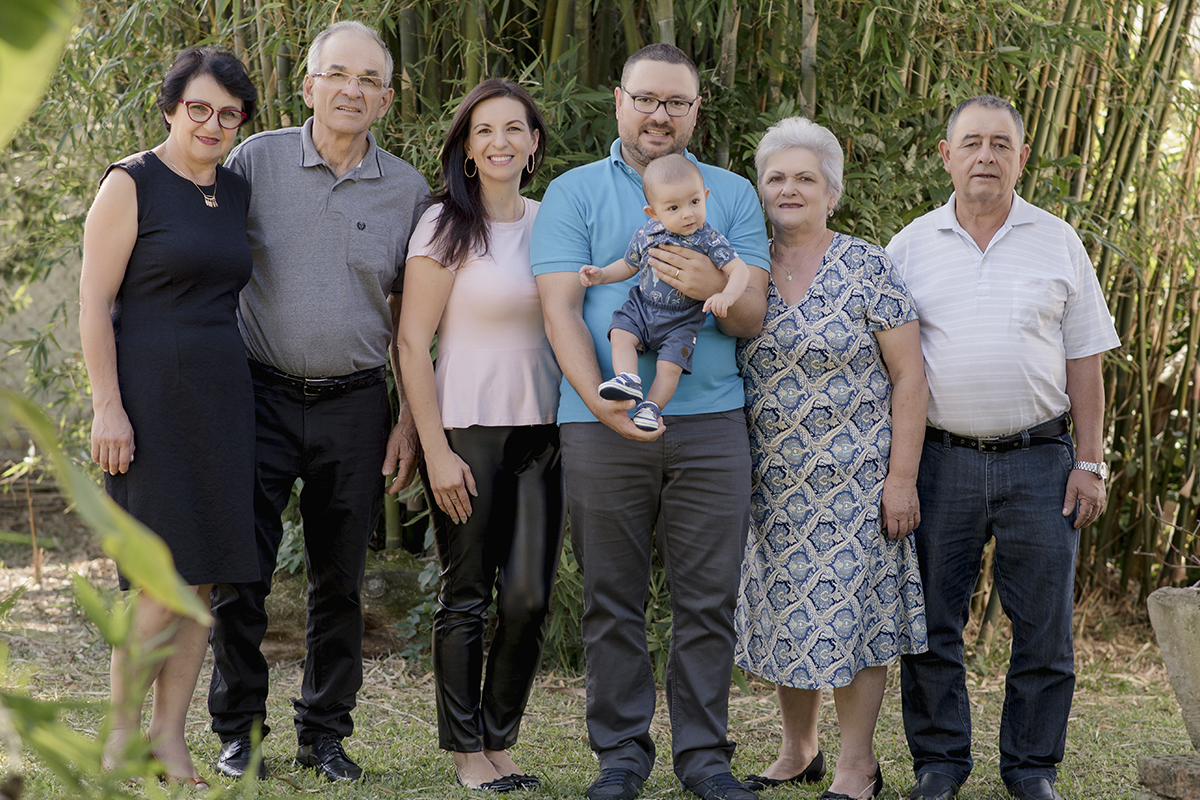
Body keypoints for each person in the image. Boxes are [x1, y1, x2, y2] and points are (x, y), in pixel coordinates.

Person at [531, 43, 770, 800]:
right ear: (618, 100)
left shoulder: (730, 193)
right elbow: (561, 309)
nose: (660, 114)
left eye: (676, 102)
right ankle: (621, 757)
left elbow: (755, 311)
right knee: (612, 594)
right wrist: (601, 402)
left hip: (711, 424)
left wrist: (711, 285)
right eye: (647, 98)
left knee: (707, 598)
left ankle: (704, 759)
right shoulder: (572, 192)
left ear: (696, 110)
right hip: (599, 418)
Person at [206, 20, 430, 783]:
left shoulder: (407, 189)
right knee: (242, 571)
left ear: (387, 99)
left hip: (356, 403)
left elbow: (411, 321)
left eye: (369, 80)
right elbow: (203, 259)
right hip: (256, 393)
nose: (352, 90)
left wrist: (406, 418)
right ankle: (240, 731)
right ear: (309, 86)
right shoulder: (255, 159)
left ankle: (324, 734)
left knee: (341, 579)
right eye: (339, 74)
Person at [886, 95, 1120, 800]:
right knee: (931, 622)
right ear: (946, 154)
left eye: (1000, 144)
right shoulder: (908, 245)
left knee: (1043, 626)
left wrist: (1090, 461)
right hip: (940, 458)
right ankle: (940, 763)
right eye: (972, 142)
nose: (985, 155)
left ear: (1022, 157)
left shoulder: (1059, 240)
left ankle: (1031, 767)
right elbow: (894, 367)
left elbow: (1085, 361)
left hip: (1040, 460)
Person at [733, 117, 929, 800]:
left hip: (857, 477)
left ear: (831, 192)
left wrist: (900, 478)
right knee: (787, 608)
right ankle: (797, 750)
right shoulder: (744, 264)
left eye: (805, 178)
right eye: (777, 177)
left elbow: (910, 376)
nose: (790, 189)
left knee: (852, 616)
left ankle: (857, 765)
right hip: (773, 476)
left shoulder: (866, 263)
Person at [79, 46, 258, 790]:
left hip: (223, 401)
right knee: (159, 587)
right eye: (199, 109)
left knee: (204, 587)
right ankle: (121, 741)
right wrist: (108, 407)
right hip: (149, 403)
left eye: (229, 114)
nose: (213, 124)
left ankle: (170, 740)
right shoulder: (132, 183)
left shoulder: (237, 191)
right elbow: (94, 302)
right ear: (170, 109)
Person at [396, 78, 564, 793]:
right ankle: (467, 750)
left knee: (528, 596)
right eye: (484, 130)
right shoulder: (443, 224)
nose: (499, 141)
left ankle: (501, 738)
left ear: (533, 145)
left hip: (543, 433)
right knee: (466, 593)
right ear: (467, 147)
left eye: (513, 129)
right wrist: (434, 450)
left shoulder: (555, 220)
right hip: (465, 430)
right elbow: (410, 342)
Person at [579, 153, 752, 431]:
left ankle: (652, 407)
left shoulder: (708, 238)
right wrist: (601, 275)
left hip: (682, 319)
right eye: (673, 207)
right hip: (643, 307)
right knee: (621, 334)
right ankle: (628, 379)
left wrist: (726, 295)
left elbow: (740, 270)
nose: (687, 213)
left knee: (670, 367)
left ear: (705, 196)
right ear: (653, 213)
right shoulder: (646, 235)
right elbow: (627, 265)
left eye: (695, 202)